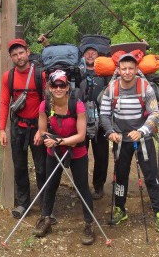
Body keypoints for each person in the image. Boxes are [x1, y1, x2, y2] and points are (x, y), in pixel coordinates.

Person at [100, 52, 159, 233]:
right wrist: (110, 132)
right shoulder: (112, 88)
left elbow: (154, 113)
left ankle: (158, 212)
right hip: (121, 139)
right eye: (124, 68)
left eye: (131, 68)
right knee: (120, 176)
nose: (127, 72)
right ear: (119, 70)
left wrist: (141, 131)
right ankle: (120, 209)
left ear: (136, 69)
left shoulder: (145, 86)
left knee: (151, 176)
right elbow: (104, 114)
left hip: (143, 137)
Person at [33, 70, 95, 245]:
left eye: (62, 85)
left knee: (82, 187)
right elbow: (42, 130)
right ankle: (45, 219)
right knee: (50, 185)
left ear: (67, 87)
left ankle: (89, 224)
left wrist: (60, 141)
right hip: (54, 151)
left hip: (77, 151)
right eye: (55, 85)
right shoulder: (45, 106)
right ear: (50, 87)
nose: (58, 88)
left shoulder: (78, 105)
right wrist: (46, 138)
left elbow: (82, 135)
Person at [0, 38, 47, 220]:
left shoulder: (40, 75)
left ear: (28, 52)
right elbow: (4, 102)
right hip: (18, 127)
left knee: (41, 167)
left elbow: (47, 102)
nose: (18, 57)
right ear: (11, 57)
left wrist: (42, 130)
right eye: (14, 54)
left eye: (21, 53)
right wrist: (2, 129)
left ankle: (45, 204)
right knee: (19, 167)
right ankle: (23, 204)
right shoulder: (8, 77)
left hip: (37, 127)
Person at [79, 43, 110, 200]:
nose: (90, 55)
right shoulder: (78, 71)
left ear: (99, 56)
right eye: (87, 53)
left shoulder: (105, 72)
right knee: (80, 155)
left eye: (93, 53)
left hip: (101, 120)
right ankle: (82, 187)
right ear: (83, 55)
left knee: (101, 155)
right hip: (81, 120)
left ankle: (98, 186)